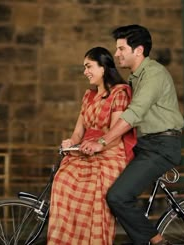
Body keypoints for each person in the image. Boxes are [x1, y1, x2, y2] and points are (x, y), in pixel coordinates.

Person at [80, 25, 184, 245]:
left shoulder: (153, 74)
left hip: (161, 145)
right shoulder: (135, 78)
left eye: (121, 49)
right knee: (102, 183)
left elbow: (134, 114)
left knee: (118, 196)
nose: (116, 54)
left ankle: (157, 241)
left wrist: (102, 142)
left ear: (138, 50)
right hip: (145, 144)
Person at [47, 47, 136, 245]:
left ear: (103, 68)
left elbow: (115, 133)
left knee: (89, 191)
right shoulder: (88, 96)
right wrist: (71, 142)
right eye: (84, 67)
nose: (85, 71)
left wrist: (97, 145)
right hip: (86, 150)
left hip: (110, 152)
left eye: (89, 66)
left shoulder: (119, 93)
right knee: (62, 180)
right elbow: (79, 131)